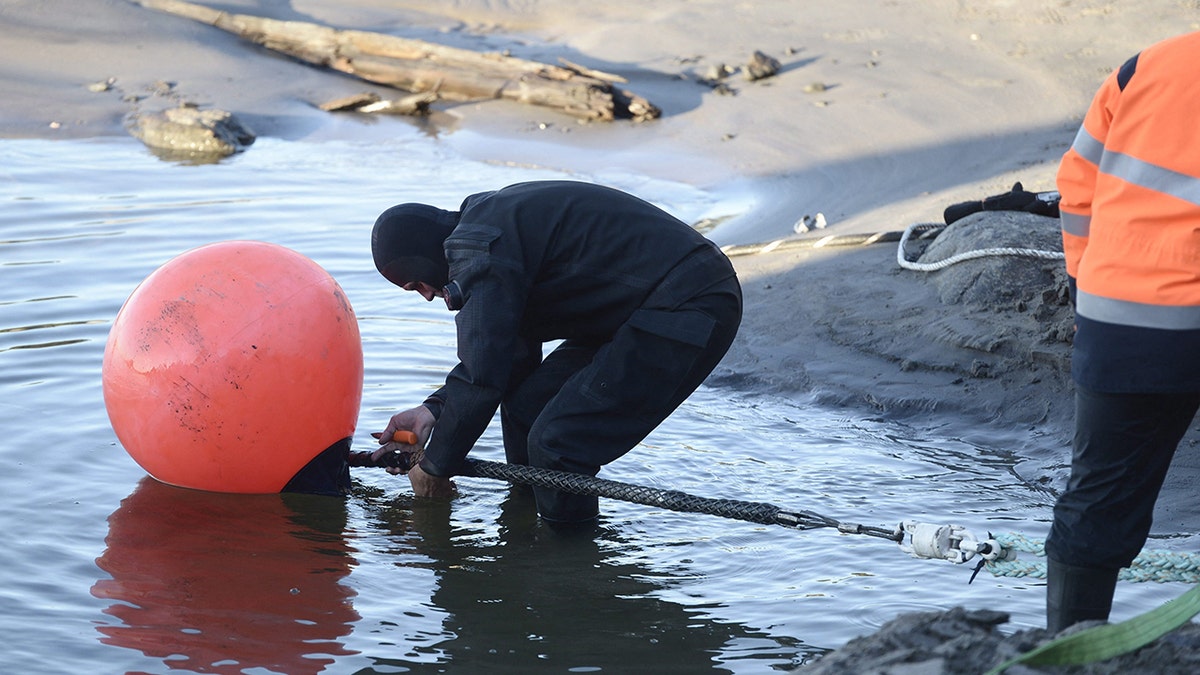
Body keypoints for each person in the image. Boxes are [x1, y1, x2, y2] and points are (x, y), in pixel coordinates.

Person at [369, 180, 742, 526]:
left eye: (417, 283)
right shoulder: (486, 233)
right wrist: (433, 409)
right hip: (636, 308)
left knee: (558, 442)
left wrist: (434, 466)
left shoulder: (478, 251)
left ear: (423, 255)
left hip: (691, 300)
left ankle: (567, 564)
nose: (428, 295)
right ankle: (525, 526)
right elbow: (502, 357)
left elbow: (481, 378)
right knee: (526, 408)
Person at [1047, 30, 1200, 633]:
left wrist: (1089, 284)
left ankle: (1066, 653)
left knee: (1098, 498)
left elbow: (1077, 182)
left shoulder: (1147, 65)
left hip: (1122, 320)